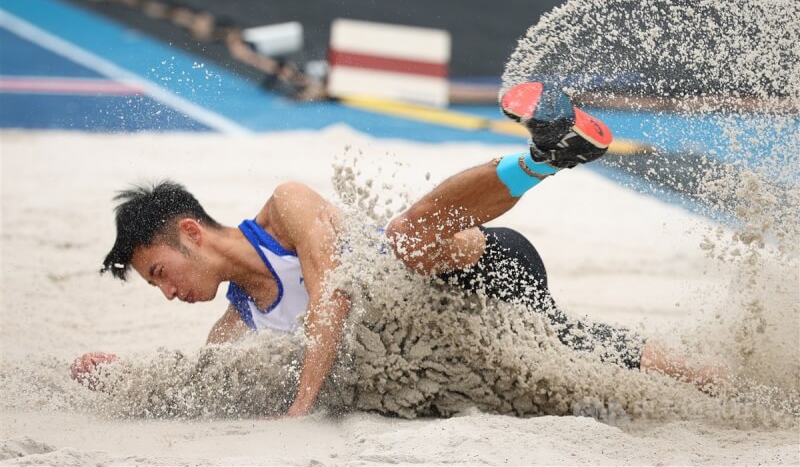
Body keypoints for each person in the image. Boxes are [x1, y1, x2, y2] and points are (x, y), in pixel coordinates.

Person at [71, 82, 718, 416]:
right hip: (473, 329)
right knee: (581, 342)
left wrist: (302, 406)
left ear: (189, 231)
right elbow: (204, 384)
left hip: (471, 259)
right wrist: (120, 376)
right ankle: (734, 385)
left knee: (402, 239)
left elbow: (334, 293)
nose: (168, 291)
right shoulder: (237, 318)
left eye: (159, 272)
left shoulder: (286, 207)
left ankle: (543, 156)